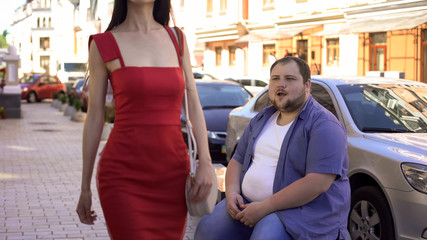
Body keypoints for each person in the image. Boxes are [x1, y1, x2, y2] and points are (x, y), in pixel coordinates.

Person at [75, 0, 214, 239]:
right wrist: (84, 187)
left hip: (172, 174)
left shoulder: (177, 39)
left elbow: (192, 102)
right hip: (122, 175)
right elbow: (95, 117)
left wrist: (206, 162)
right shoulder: (103, 44)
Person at [195, 56, 350, 240]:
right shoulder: (263, 118)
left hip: (300, 213)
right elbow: (238, 158)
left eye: (290, 79)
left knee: (265, 236)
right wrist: (232, 193)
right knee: (207, 229)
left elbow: (317, 183)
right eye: (275, 78)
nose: (280, 84)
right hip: (249, 204)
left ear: (307, 85)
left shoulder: (324, 124)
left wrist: (264, 208)